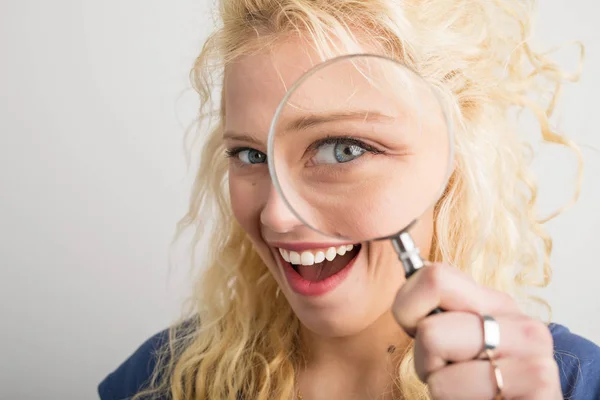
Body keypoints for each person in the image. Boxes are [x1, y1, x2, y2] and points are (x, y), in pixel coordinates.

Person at [99, 0, 600, 399]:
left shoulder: (568, 385)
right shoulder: (161, 381)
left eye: (344, 149)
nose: (276, 213)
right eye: (250, 155)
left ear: (453, 162)